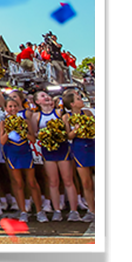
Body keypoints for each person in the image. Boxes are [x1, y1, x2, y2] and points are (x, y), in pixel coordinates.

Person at [0, 83, 44, 223]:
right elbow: (2, 141)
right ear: (6, 109)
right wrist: (10, 130)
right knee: (18, 182)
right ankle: (23, 211)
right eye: (10, 107)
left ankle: (39, 211)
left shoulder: (25, 120)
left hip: (25, 152)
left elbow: (33, 139)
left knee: (32, 182)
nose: (13, 109)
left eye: (15, 106)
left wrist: (23, 131)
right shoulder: (4, 122)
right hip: (11, 153)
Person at [31, 90, 80, 221]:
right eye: (42, 96)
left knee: (68, 180)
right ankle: (57, 210)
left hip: (62, 149)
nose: (46, 97)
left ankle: (74, 211)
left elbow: (66, 129)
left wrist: (57, 134)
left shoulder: (59, 113)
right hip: (47, 150)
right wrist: (46, 136)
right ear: (37, 102)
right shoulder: (36, 116)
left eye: (46, 95)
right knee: (53, 182)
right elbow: (34, 134)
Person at [64, 90, 95, 222]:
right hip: (79, 148)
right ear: (72, 104)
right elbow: (68, 136)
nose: (81, 100)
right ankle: (92, 210)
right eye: (78, 98)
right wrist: (76, 129)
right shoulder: (66, 117)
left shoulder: (87, 113)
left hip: (92, 144)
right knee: (86, 182)